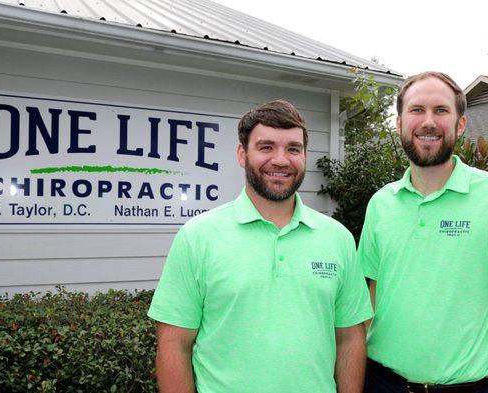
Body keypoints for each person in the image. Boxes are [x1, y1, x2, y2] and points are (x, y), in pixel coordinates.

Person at [148, 100, 373, 393]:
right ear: (243, 154)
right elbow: (174, 345)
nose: (281, 160)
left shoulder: (338, 238)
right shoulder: (198, 237)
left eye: (293, 149)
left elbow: (350, 338)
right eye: (266, 147)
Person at [358, 72, 488, 393]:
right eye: (416, 110)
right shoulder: (381, 203)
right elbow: (370, 304)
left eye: (441, 110)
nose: (428, 121)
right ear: (400, 123)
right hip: (381, 383)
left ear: (460, 125)